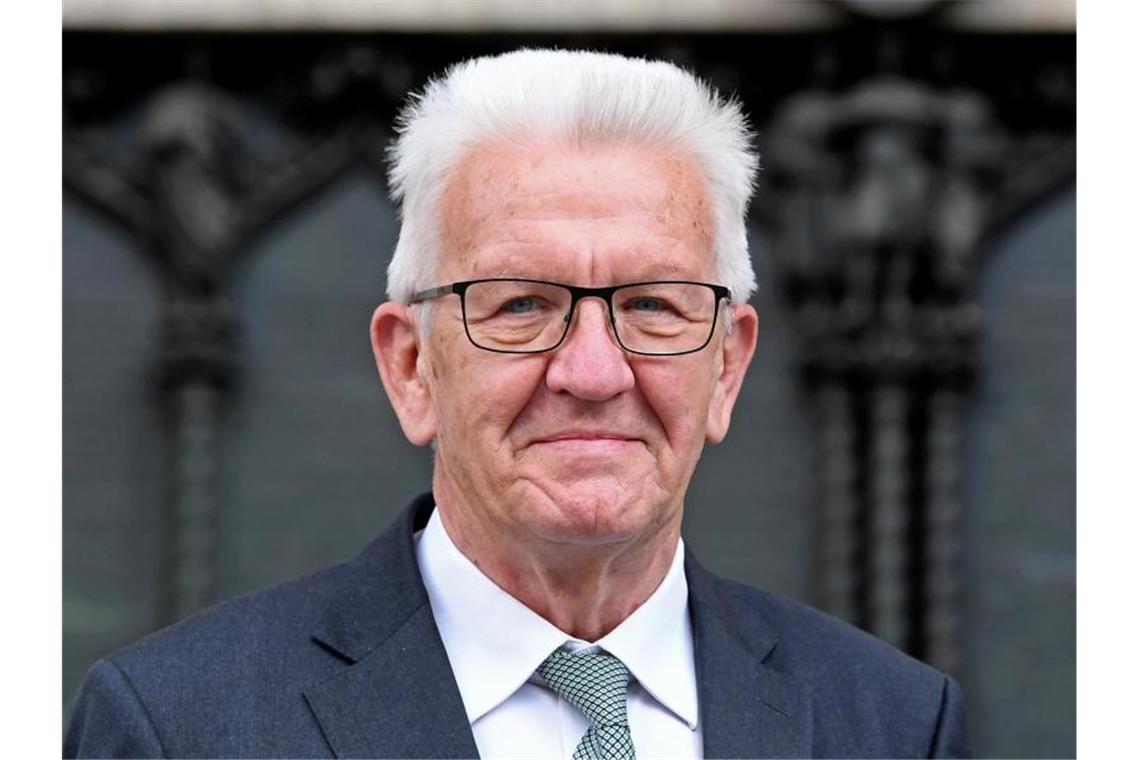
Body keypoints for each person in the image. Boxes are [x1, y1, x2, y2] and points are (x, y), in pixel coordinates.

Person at [64, 49, 969, 759]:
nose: (592, 371)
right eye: (522, 305)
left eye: (652, 305)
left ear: (726, 367)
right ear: (411, 365)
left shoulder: (890, 725)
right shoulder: (178, 729)